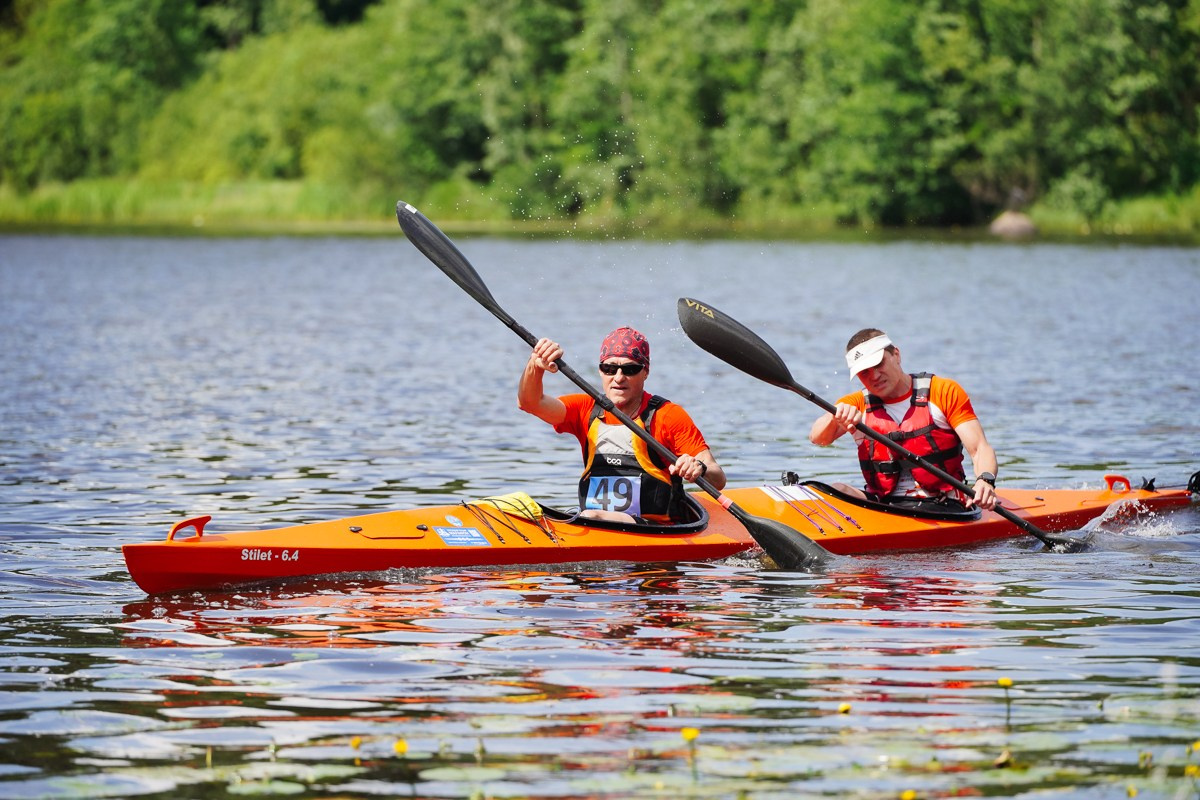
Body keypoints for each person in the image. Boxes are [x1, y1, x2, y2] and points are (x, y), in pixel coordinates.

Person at [518, 326, 726, 524]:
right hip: (597, 523)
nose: (618, 378)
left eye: (630, 369)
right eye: (609, 368)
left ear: (645, 372)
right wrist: (535, 365)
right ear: (600, 371)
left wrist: (699, 467)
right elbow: (530, 403)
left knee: (592, 516)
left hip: (655, 530)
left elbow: (718, 479)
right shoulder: (585, 409)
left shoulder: (668, 416)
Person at [808, 328, 998, 511]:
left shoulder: (943, 392)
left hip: (944, 504)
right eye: (864, 371)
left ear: (896, 355)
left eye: (878, 364)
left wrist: (985, 480)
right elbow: (818, 438)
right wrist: (835, 417)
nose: (874, 376)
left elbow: (980, 448)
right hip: (882, 503)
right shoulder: (855, 404)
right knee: (837, 488)